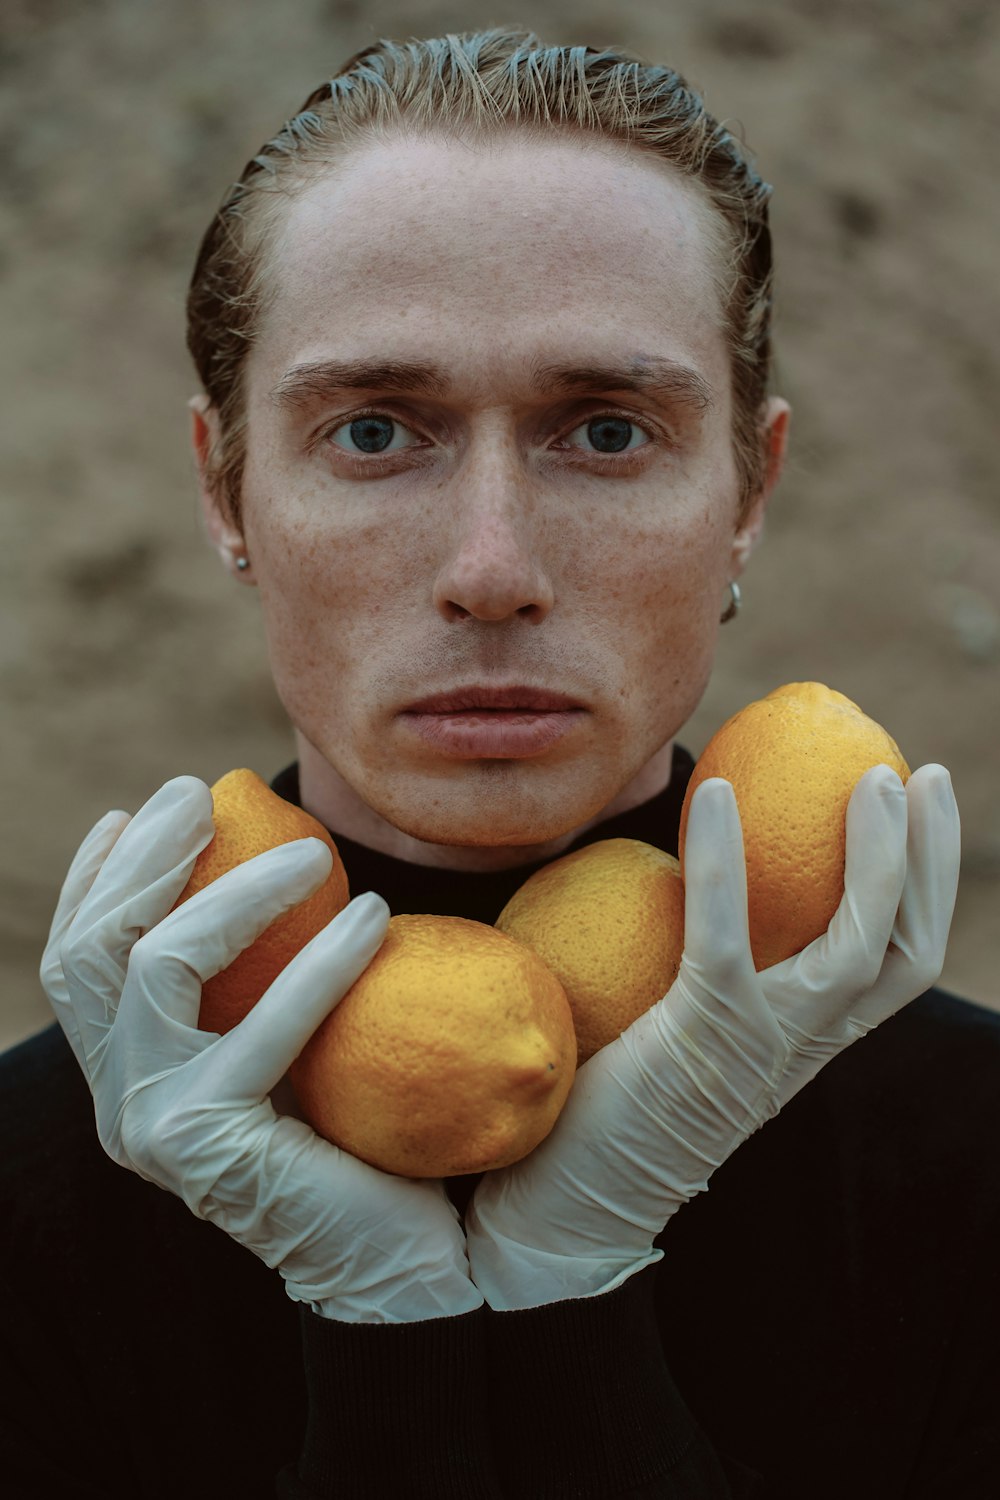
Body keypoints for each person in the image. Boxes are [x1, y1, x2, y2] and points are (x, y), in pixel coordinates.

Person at [1, 27, 995, 1499]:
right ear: (227, 492)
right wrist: (380, 1317)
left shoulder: (973, 1170)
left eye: (605, 430)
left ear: (748, 494)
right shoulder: (28, 1207)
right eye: (374, 430)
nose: (491, 570)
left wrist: (570, 1292)